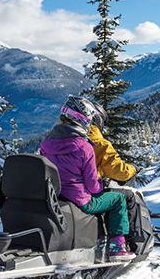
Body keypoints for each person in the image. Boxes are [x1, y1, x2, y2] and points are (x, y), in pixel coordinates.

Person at [40, 95, 135, 262]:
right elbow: (92, 186)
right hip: (81, 200)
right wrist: (102, 184)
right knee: (118, 200)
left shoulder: (46, 143)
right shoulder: (85, 147)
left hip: (56, 196)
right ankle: (117, 247)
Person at [86, 102, 143, 245]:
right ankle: (126, 242)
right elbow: (118, 171)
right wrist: (133, 169)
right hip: (86, 192)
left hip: (65, 191)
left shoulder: (61, 140)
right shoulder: (99, 143)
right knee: (125, 197)